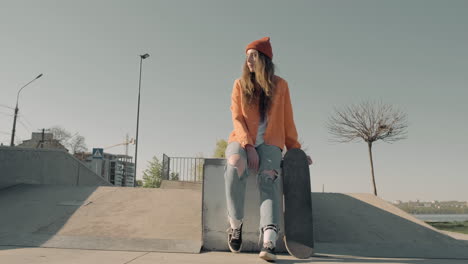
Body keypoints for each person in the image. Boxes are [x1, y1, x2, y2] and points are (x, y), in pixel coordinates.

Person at [224, 37, 312, 261]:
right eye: (247, 56)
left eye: (253, 55)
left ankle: (269, 239)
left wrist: (295, 152)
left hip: (271, 142)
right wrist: (248, 146)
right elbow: (237, 118)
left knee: (268, 177)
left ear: (264, 59)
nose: (248, 60)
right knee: (235, 163)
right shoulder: (239, 84)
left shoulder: (281, 85)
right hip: (243, 139)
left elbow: (287, 120)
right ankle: (235, 225)